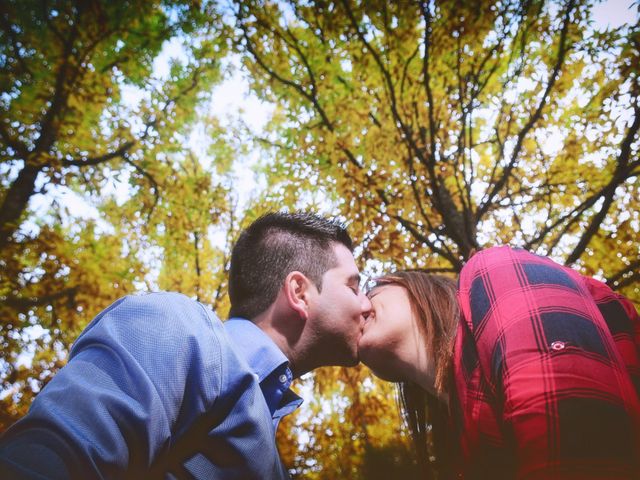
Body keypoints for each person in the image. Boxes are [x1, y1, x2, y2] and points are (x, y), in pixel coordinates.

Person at [0, 211, 372, 479]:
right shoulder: (175, 326)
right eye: (353, 286)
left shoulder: (274, 454)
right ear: (299, 292)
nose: (365, 304)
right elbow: (49, 458)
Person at [359, 245, 640, 479]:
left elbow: (580, 441)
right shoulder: (463, 444)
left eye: (370, 292)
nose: (360, 306)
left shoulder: (493, 267)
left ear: (414, 287)